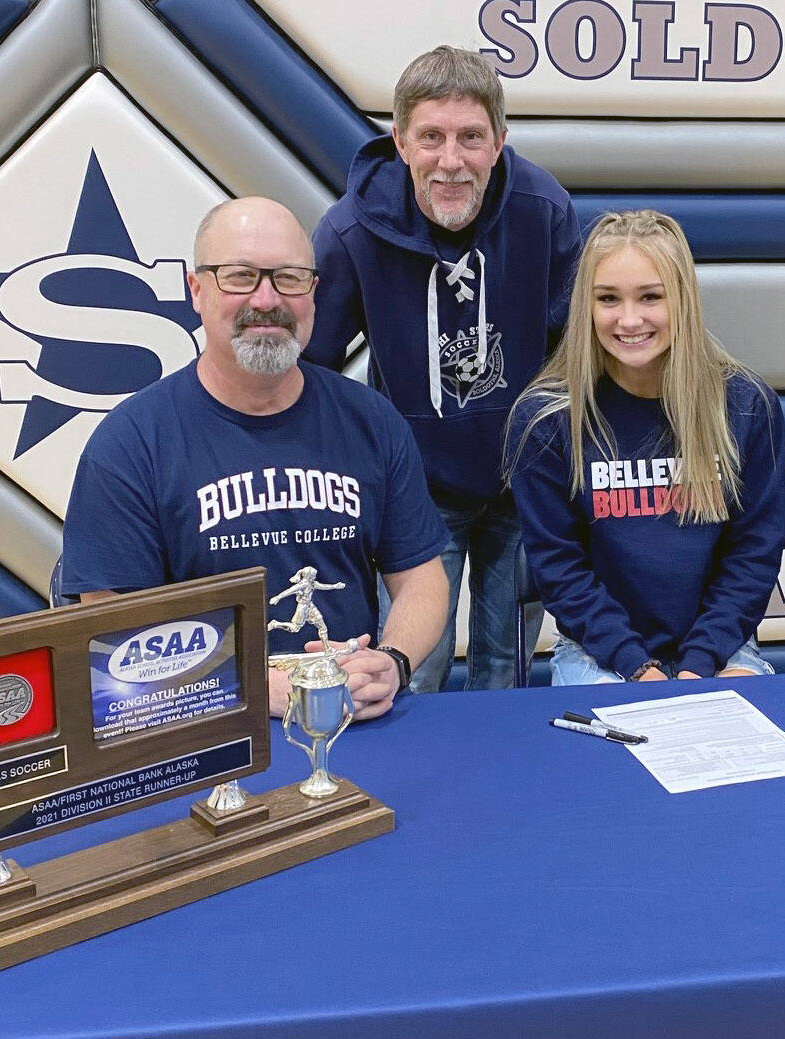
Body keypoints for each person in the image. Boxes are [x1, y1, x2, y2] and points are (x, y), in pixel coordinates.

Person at [62, 196, 450, 720]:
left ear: (313, 292)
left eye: (289, 277)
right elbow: (109, 632)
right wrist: (246, 689)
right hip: (203, 732)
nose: (267, 299)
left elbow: (422, 579)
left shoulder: (372, 422)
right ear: (196, 290)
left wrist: (393, 662)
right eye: (241, 276)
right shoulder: (131, 444)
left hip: (350, 721)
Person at [307, 45, 581, 692]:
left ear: (499, 142)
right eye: (431, 137)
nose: (451, 160)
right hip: (416, 494)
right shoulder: (352, 231)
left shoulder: (544, 211)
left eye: (470, 138)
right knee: (411, 670)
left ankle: (496, 789)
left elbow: (577, 351)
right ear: (400, 141)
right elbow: (310, 362)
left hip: (523, 488)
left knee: (504, 666)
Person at [508, 210, 785, 684]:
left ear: (683, 301)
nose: (629, 319)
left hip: (721, 649)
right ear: (586, 306)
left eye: (651, 297)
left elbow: (753, 556)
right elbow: (561, 569)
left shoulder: (745, 406)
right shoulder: (546, 419)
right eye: (608, 299)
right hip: (598, 653)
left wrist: (700, 663)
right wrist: (638, 667)